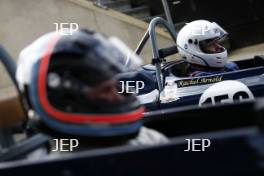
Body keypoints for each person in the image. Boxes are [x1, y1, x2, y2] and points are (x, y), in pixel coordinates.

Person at [15, 29, 168, 156]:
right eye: (106, 90)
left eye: (116, 87)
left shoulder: (149, 139)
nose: (117, 96)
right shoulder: (48, 164)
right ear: (66, 100)